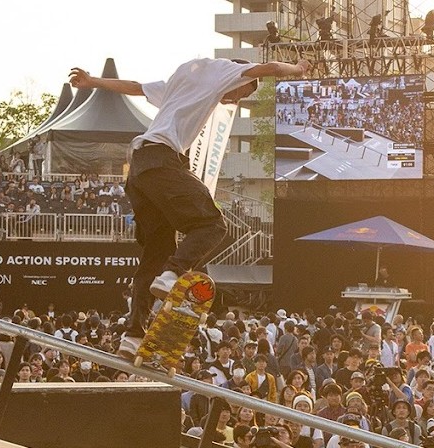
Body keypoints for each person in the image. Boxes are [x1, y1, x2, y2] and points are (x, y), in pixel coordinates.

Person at [69, 57, 311, 358]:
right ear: (240, 79)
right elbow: (272, 68)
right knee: (213, 225)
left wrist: (93, 82)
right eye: (242, 93)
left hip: (140, 170)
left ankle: (132, 335)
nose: (235, 100)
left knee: (156, 252)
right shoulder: (223, 71)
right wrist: (297, 69)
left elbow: (135, 87)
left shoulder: (181, 80)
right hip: (162, 161)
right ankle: (173, 273)